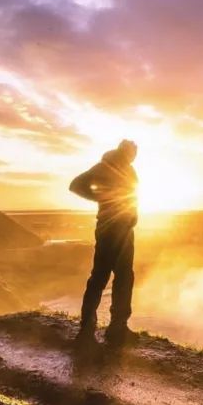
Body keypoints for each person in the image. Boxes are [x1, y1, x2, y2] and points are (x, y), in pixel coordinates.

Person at [69, 139, 138, 347]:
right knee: (107, 278)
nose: (134, 156)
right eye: (133, 152)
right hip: (113, 231)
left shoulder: (128, 169)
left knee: (116, 278)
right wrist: (102, 197)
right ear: (125, 150)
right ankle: (97, 329)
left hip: (122, 231)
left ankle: (110, 328)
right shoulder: (105, 166)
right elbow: (76, 185)